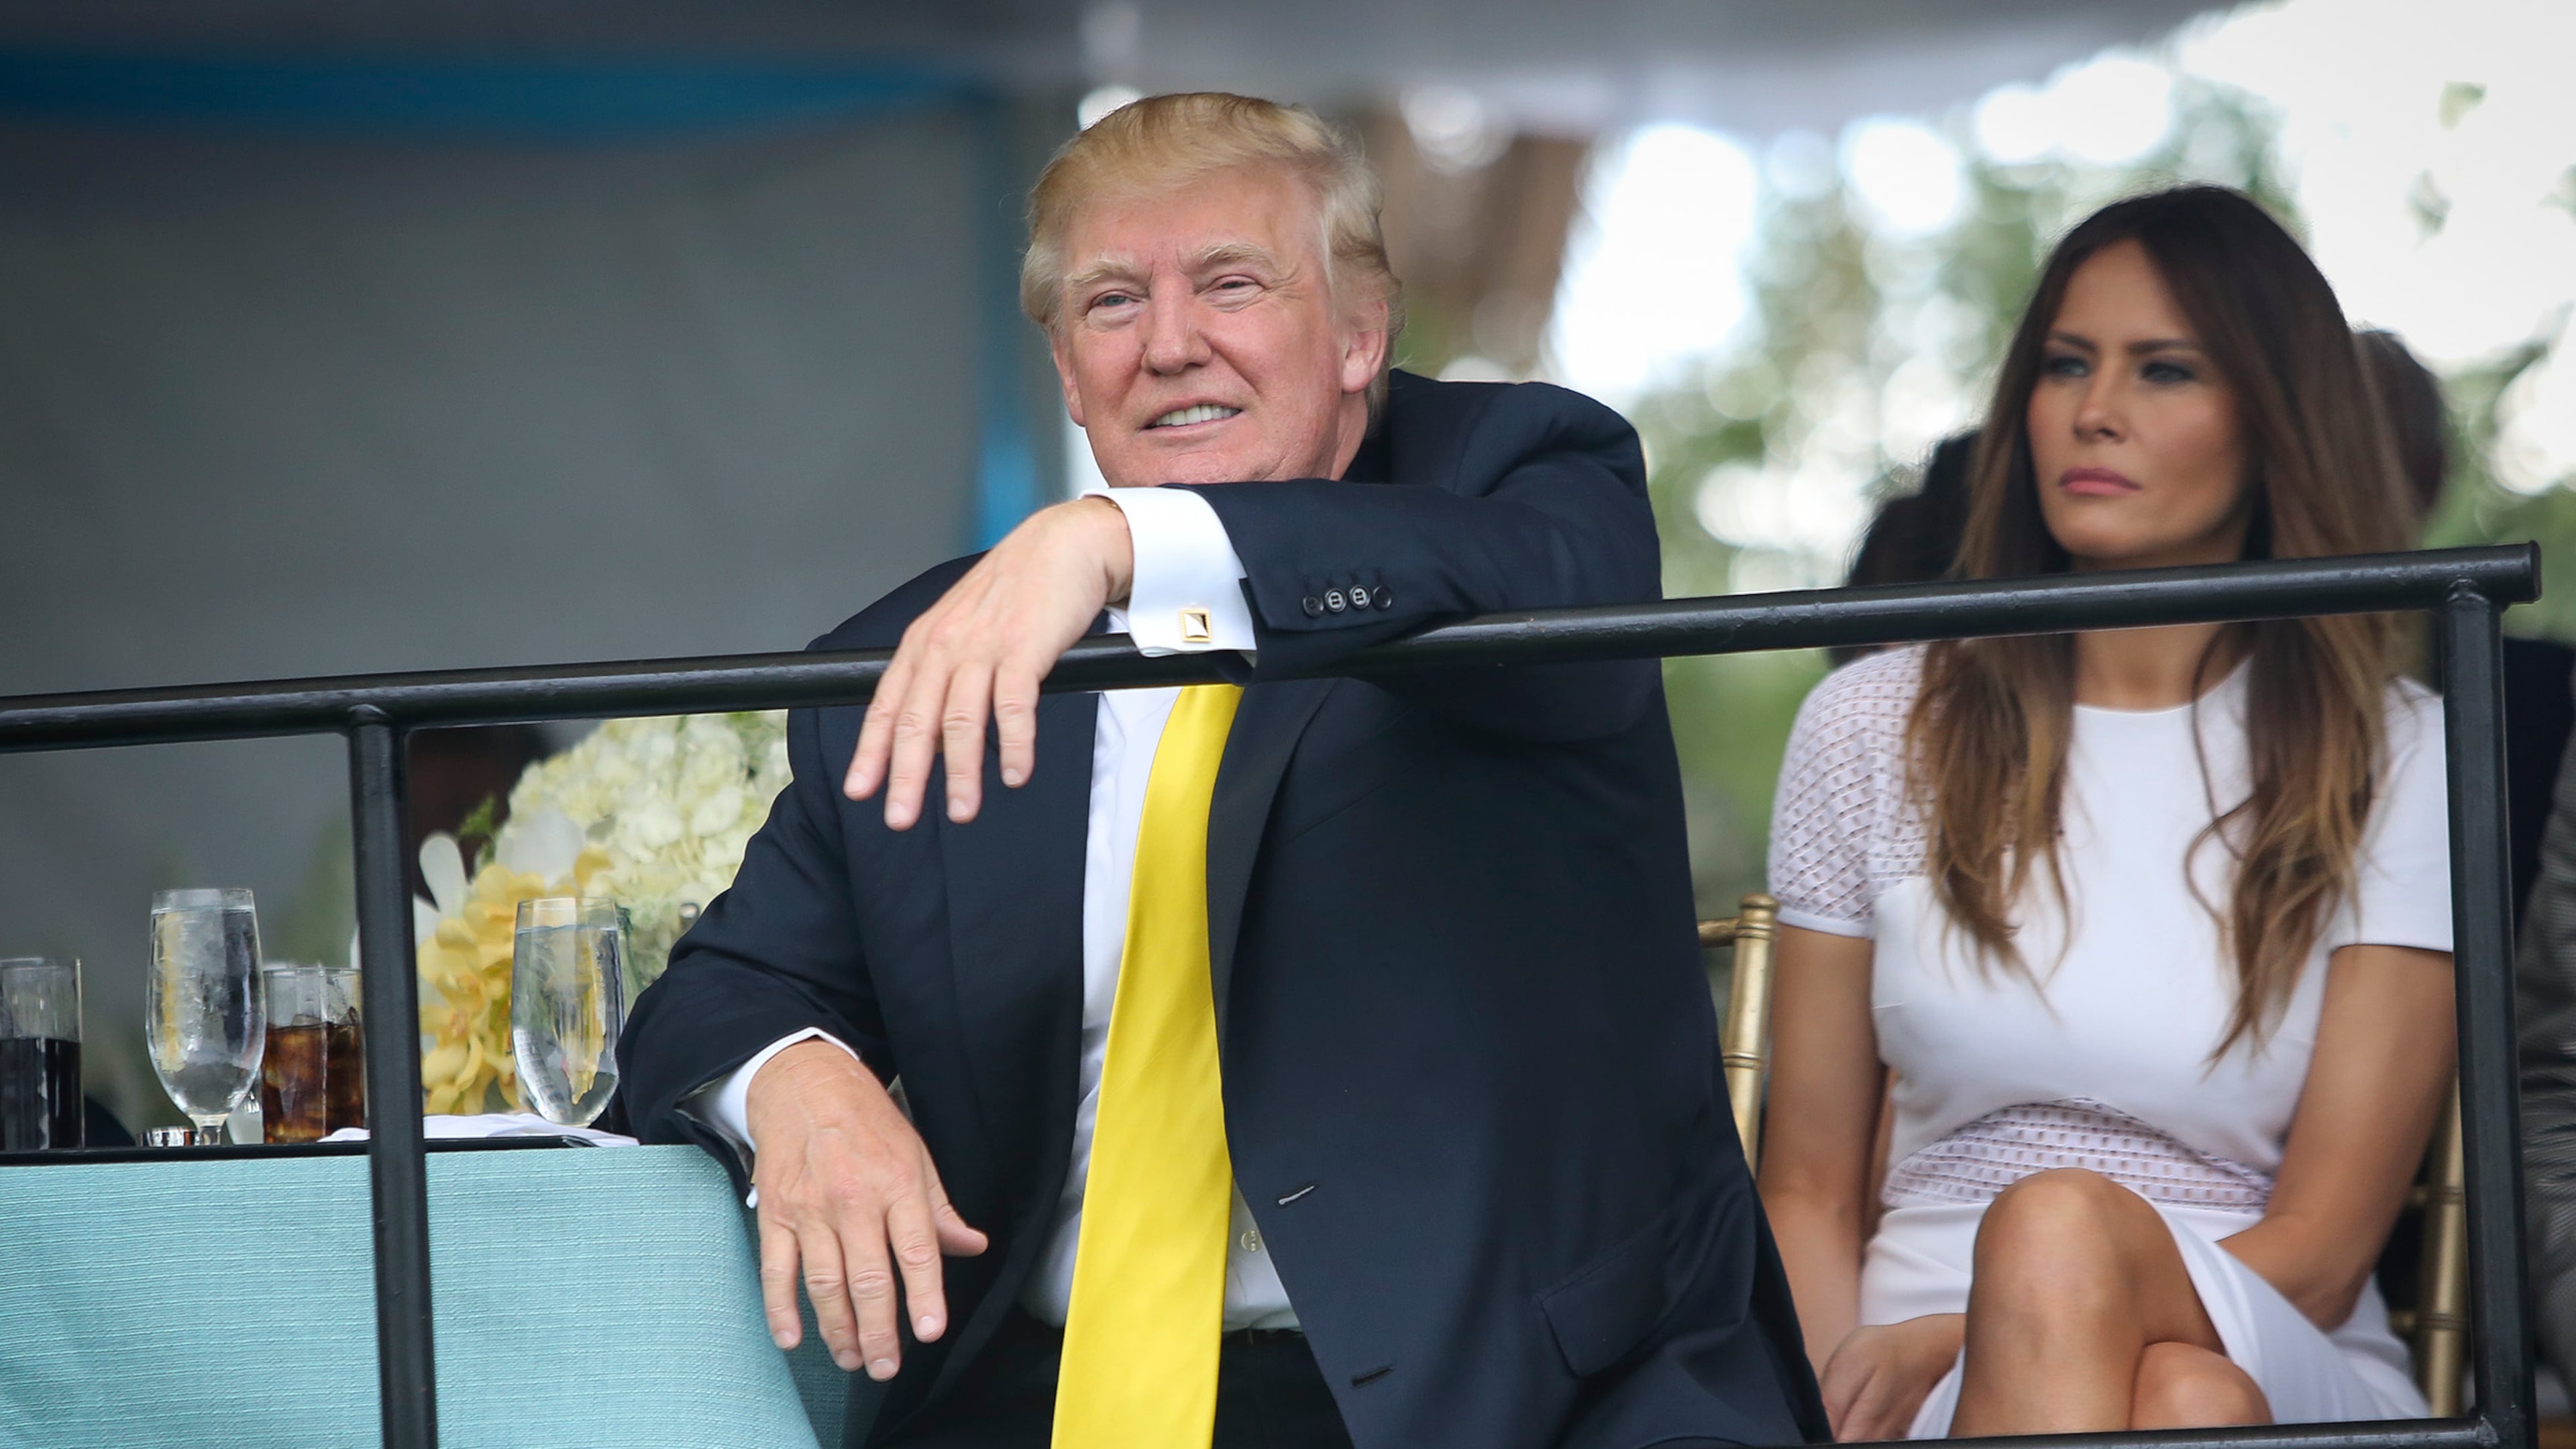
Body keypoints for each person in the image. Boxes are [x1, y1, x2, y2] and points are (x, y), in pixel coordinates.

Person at [618, 93, 1824, 1449]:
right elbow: (718, 988)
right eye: (1113, 302)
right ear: (1067, 372)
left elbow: (1556, 626)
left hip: (1521, 1395)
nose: (1171, 343)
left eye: (1231, 284)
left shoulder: (1522, 481)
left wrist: (1134, 542)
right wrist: (798, 1081)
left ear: (1362, 333)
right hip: (1046, 1390)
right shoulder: (937, 652)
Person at [1759, 186, 2456, 1440]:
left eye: (2165, 371)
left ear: (2273, 422)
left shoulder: (2391, 749)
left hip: (2270, 1326)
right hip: (1909, 1367)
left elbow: (2325, 1250)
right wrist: (1830, 1401)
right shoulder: (1874, 721)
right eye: (2067, 364)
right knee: (2181, 1404)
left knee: (2070, 1239)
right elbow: (1806, 1188)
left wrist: (2008, 1316)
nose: (2095, 410)